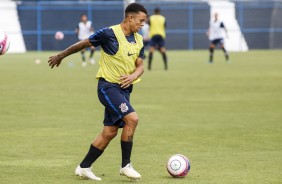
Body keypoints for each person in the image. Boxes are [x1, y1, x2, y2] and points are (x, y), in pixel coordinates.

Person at [48, 3, 147, 181]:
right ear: (130, 18)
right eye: (141, 21)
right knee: (132, 119)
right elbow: (83, 43)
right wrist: (60, 56)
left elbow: (140, 66)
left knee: (109, 132)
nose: (142, 25)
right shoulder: (109, 33)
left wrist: (133, 76)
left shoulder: (139, 39)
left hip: (124, 91)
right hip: (108, 87)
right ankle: (126, 166)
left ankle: (84, 167)